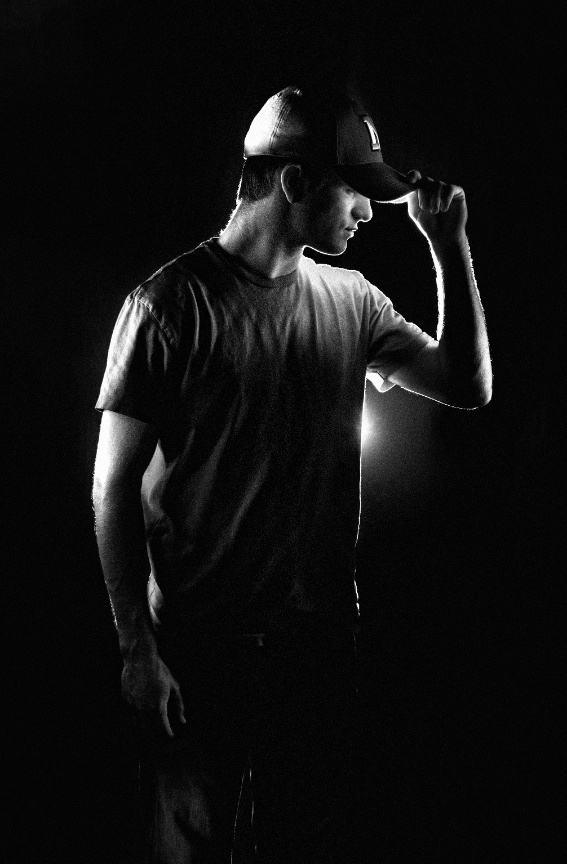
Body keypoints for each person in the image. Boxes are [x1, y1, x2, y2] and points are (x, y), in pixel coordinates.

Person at [92, 85, 492, 863]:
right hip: (200, 646)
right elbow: (111, 489)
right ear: (296, 182)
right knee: (187, 847)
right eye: (354, 191)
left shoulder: (352, 300)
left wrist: (449, 245)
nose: (367, 212)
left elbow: (467, 386)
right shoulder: (168, 306)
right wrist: (138, 651)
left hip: (316, 646)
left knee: (302, 842)